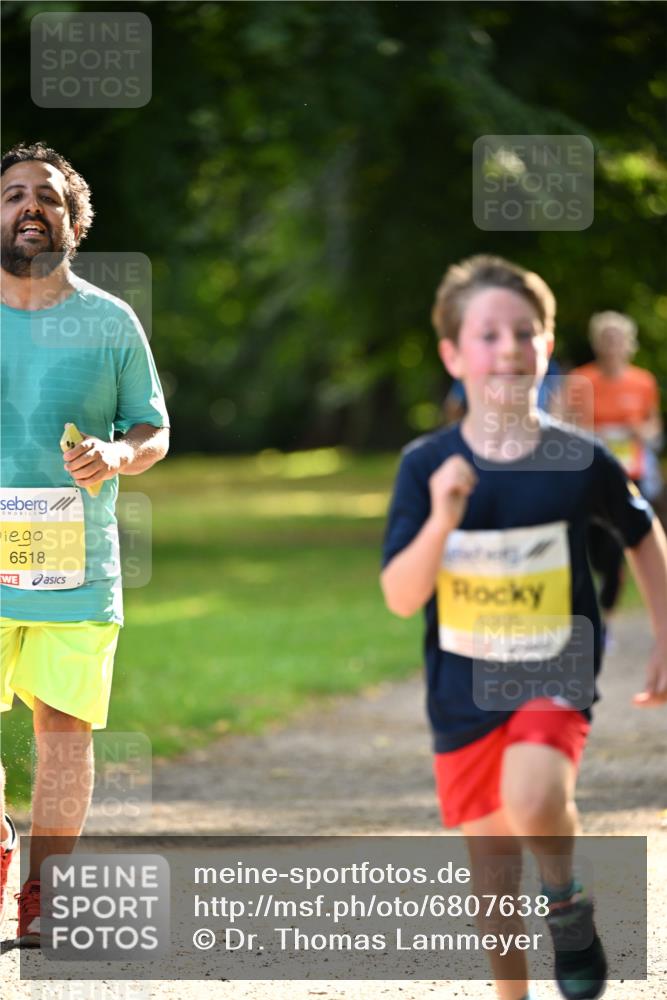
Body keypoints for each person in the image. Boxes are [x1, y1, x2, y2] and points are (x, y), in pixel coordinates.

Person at [381, 255, 667, 1000]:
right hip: (462, 691)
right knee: (493, 875)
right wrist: (442, 517)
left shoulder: (579, 458)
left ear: (546, 346)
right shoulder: (426, 465)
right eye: (488, 334)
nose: (508, 347)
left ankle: (564, 896)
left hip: (554, 666)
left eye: (524, 332)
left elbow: (641, 535)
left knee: (536, 794)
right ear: (453, 354)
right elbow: (401, 596)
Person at [0, 143, 170, 946]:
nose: (30, 206)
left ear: (74, 219)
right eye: (13, 194)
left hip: (74, 560)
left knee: (62, 730)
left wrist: (116, 454)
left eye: (48, 196)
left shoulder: (109, 322)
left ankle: (44, 890)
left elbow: (152, 428)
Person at [563, 312, 664, 631]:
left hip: (630, 474)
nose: (611, 345)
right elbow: (562, 424)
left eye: (617, 338)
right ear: (596, 343)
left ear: (628, 343)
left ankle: (606, 615)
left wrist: (640, 432)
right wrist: (594, 436)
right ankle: (587, 604)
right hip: (586, 474)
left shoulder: (642, 381)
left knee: (616, 547)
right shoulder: (581, 380)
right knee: (591, 545)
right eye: (605, 338)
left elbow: (654, 427)